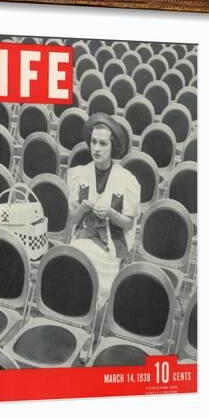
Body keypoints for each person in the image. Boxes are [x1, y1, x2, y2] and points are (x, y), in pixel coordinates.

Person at [67, 113, 141, 302]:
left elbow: (129, 224)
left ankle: (89, 308)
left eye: (103, 143)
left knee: (89, 269)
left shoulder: (127, 180)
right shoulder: (80, 174)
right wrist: (82, 209)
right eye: (93, 142)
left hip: (111, 245)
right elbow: (73, 219)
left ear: (112, 147)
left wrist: (112, 214)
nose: (96, 148)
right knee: (74, 257)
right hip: (83, 237)